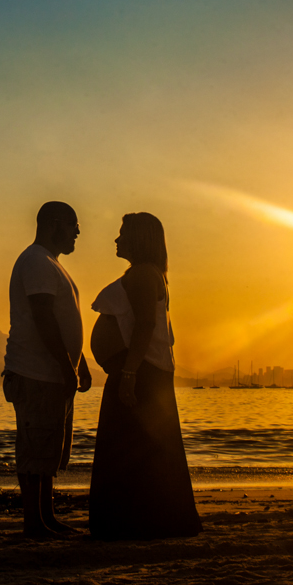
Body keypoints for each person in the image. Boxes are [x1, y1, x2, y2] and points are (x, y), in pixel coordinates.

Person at [88, 213, 202, 540]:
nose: (117, 239)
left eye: (123, 233)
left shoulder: (142, 274)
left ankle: (130, 522)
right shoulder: (148, 273)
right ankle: (146, 519)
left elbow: (145, 324)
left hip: (139, 371)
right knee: (140, 446)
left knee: (127, 448)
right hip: (140, 369)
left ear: (139, 238)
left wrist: (129, 372)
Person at [3, 201, 93, 538]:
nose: (78, 232)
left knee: (47, 449)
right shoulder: (37, 262)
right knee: (35, 447)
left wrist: (79, 362)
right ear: (53, 224)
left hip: (51, 372)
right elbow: (43, 318)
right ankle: (34, 522)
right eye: (73, 225)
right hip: (36, 372)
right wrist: (67, 366)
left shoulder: (49, 263)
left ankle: (46, 518)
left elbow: (62, 320)